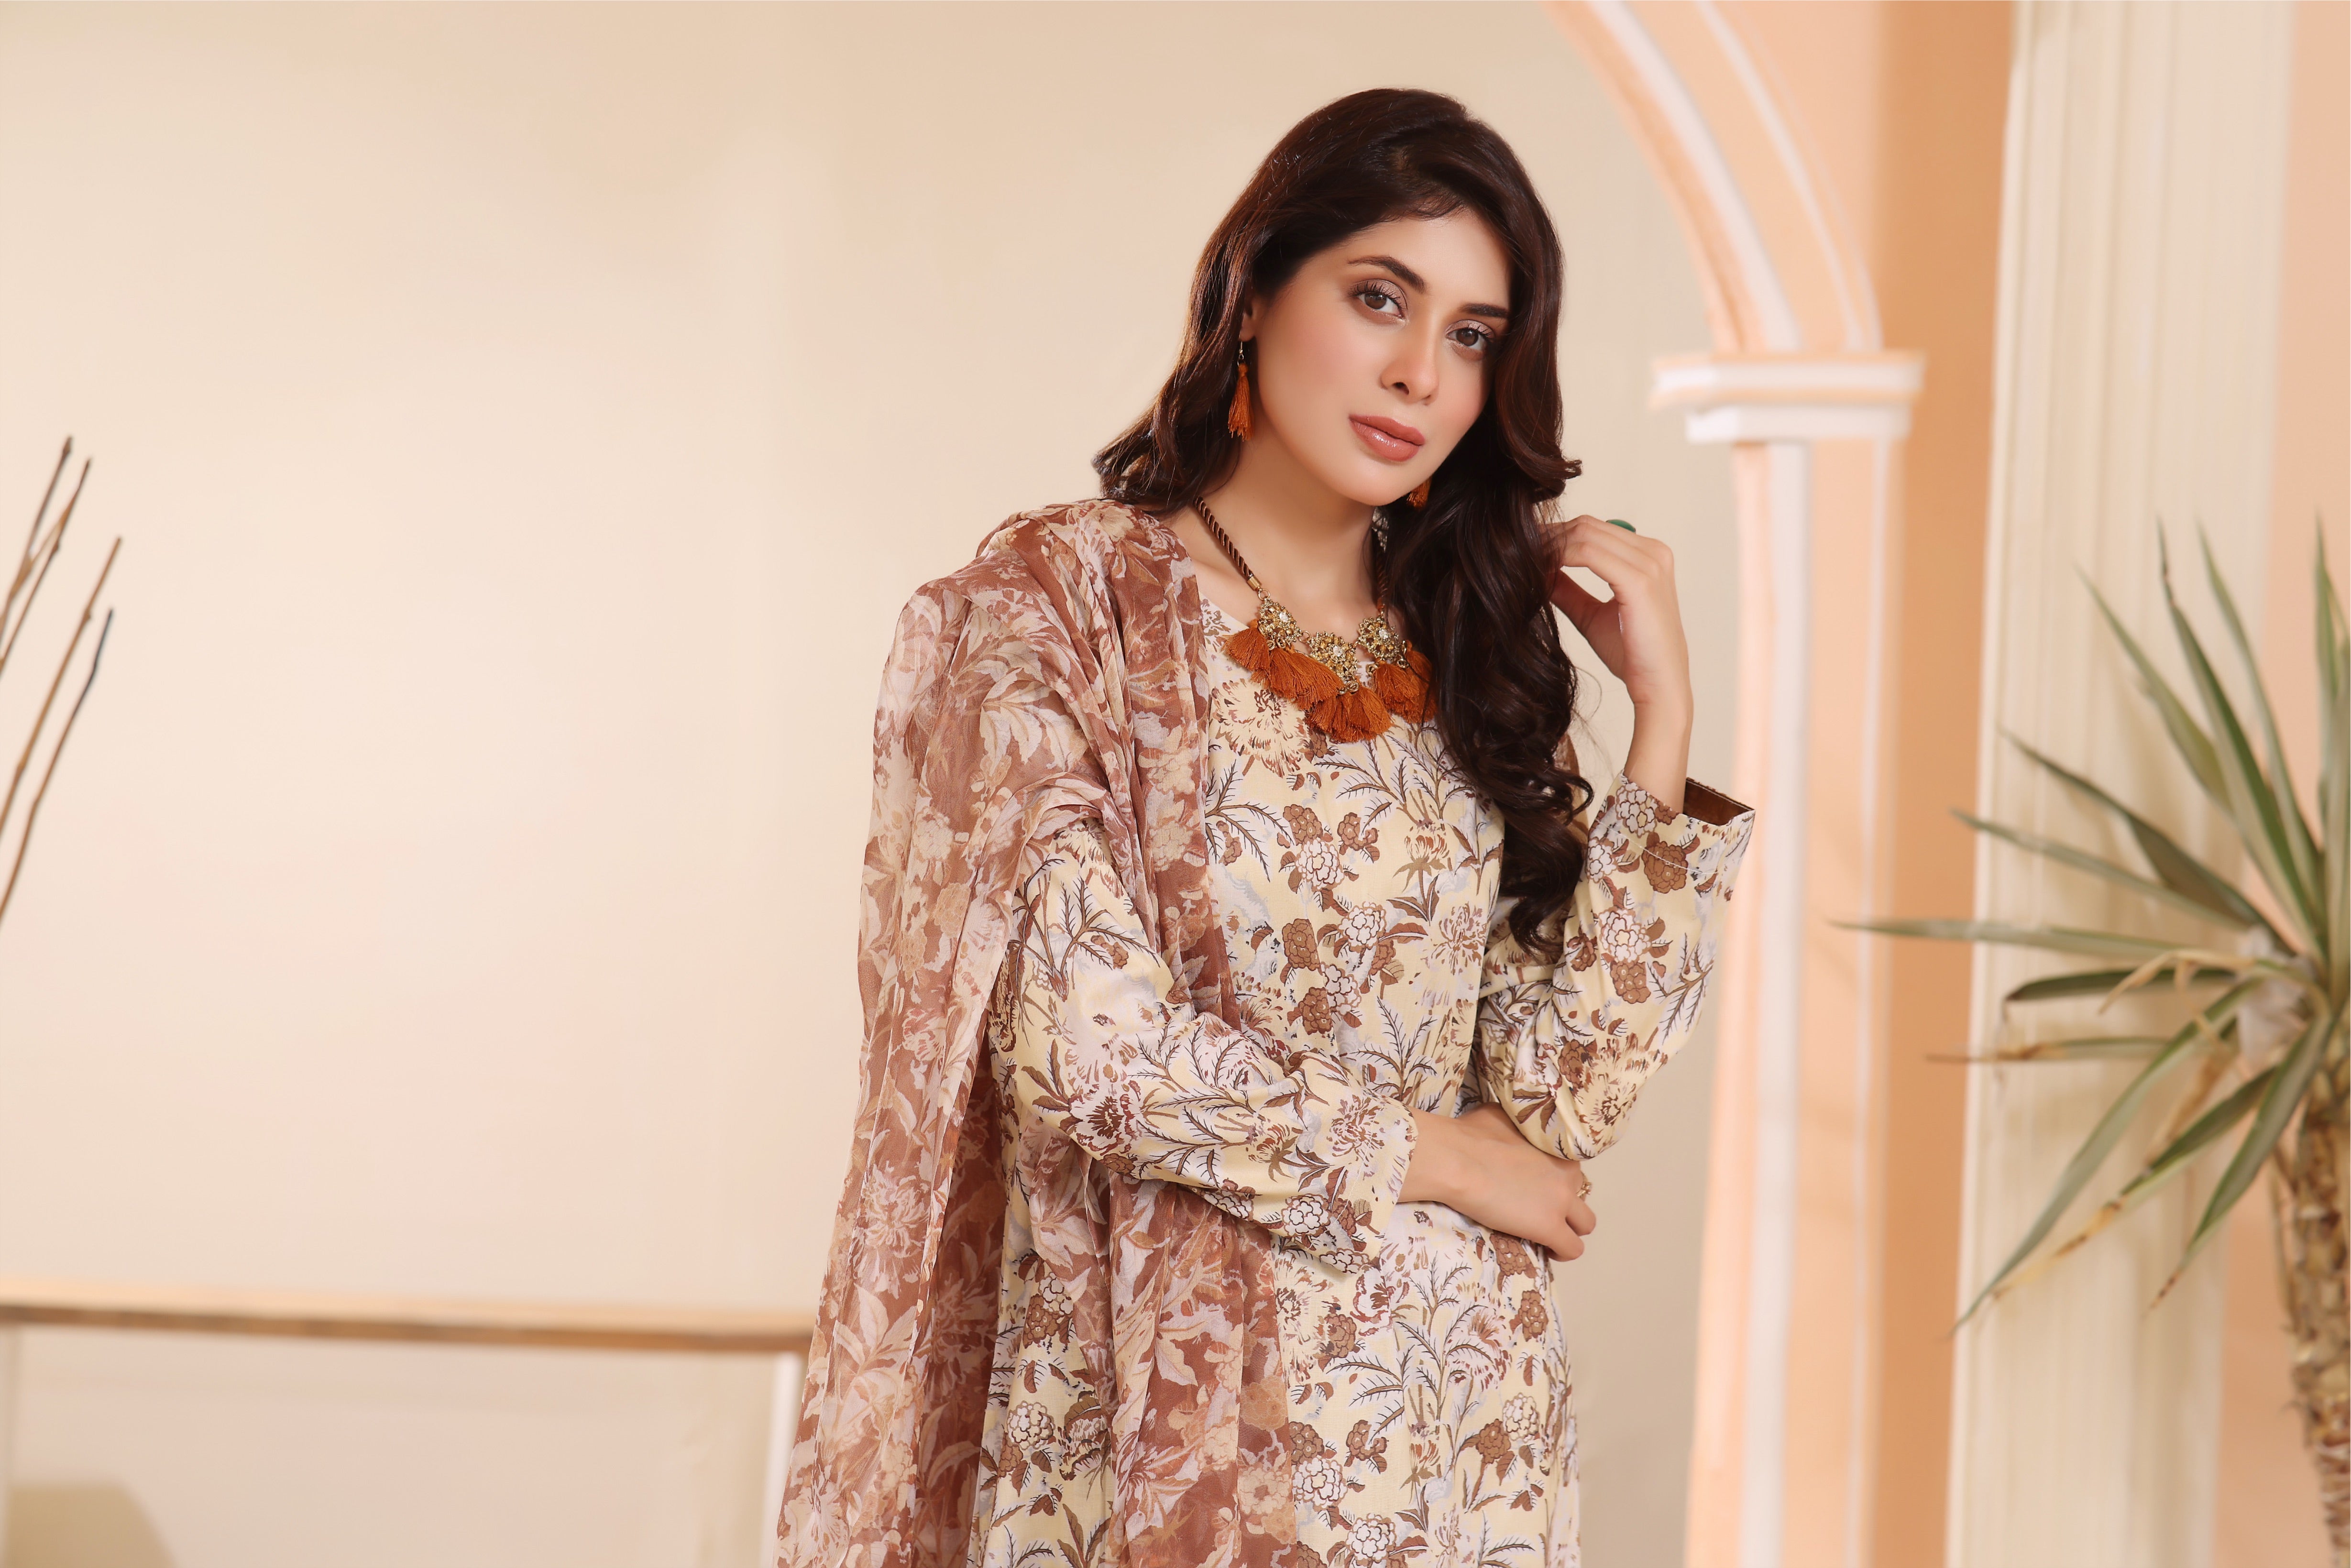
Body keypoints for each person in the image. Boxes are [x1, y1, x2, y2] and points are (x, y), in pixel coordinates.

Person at [778, 87, 1755, 1568]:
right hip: (1152, 1441)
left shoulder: (1468, 661)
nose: (1419, 372)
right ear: (1251, 293)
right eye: (1379, 298)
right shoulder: (1053, 618)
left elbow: (1557, 1111)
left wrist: (1661, 727)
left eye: (1472, 337)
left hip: (1455, 1461)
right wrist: (1436, 1158)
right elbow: (1090, 1052)